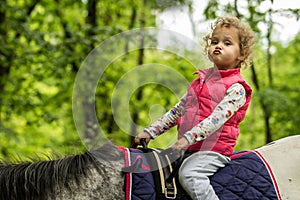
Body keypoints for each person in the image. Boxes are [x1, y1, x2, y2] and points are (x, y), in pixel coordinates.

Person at [135, 16, 255, 200]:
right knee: (155, 168)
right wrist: (151, 132)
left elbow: (215, 120)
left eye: (227, 43)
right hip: (189, 147)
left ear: (242, 54)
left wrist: (187, 138)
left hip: (213, 151)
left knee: (189, 176)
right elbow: (177, 111)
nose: (218, 45)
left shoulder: (236, 88)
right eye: (215, 41)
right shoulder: (199, 82)